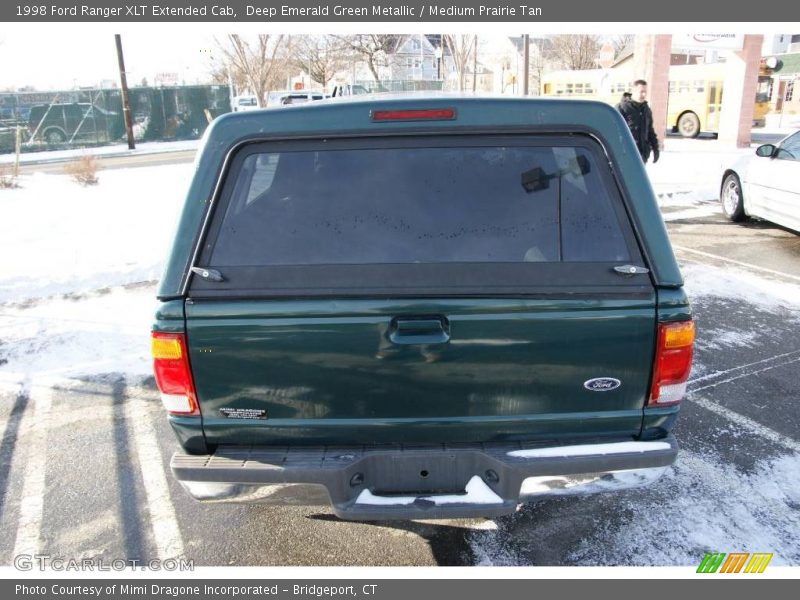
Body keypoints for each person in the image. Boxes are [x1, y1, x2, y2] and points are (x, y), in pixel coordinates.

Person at [617, 80, 660, 164]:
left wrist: (655, 148)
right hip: (626, 156)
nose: (644, 95)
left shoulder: (646, 109)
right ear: (633, 91)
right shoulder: (622, 108)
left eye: (645, 92)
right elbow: (614, 132)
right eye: (641, 92)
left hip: (642, 156)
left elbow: (650, 131)